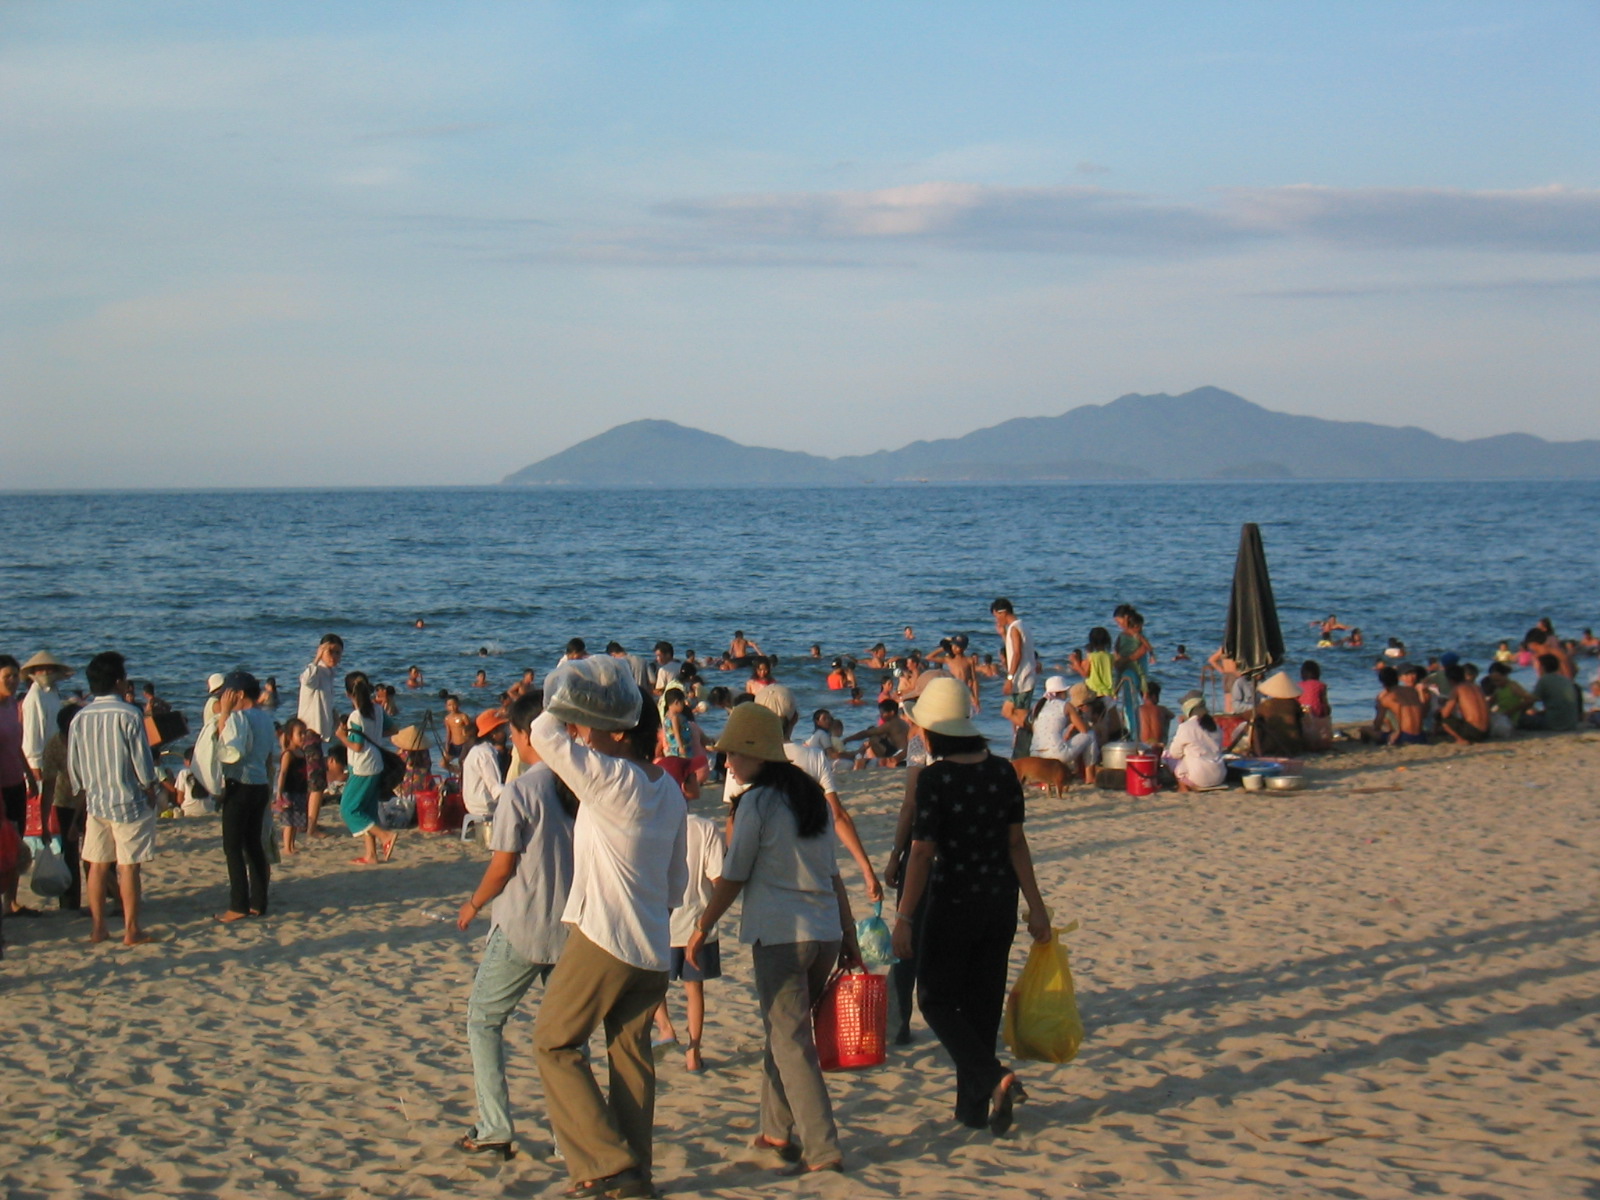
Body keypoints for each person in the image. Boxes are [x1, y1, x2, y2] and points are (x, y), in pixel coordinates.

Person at [529, 657, 686, 1200]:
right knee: (631, 1057)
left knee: (553, 1043)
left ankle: (607, 1164)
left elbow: (542, 734)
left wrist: (570, 685)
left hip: (605, 937)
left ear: (618, 730)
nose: (580, 733)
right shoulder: (668, 789)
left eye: (589, 725)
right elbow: (676, 883)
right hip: (653, 946)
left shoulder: (611, 778)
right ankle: (635, 1174)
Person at [685, 703, 862, 1175]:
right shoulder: (809, 796)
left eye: (732, 755)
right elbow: (833, 872)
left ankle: (823, 1148)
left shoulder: (757, 803)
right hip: (823, 931)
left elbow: (734, 874)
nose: (726, 763)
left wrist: (702, 927)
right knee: (784, 1033)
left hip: (783, 935)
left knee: (790, 1040)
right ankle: (775, 1130)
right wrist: (848, 932)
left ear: (756, 753)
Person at [888, 678, 1051, 1135]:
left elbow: (922, 852)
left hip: (952, 902)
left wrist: (904, 917)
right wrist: (1037, 907)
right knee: (982, 1007)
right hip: (999, 902)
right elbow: (1016, 843)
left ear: (934, 733)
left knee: (935, 999)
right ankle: (974, 1110)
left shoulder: (936, 778)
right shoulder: (1002, 772)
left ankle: (995, 1078)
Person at [456, 690, 578, 1160]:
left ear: (530, 735)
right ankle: (570, 1136)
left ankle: (495, 1127)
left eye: (513, 733)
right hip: (570, 926)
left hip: (525, 924)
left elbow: (502, 867)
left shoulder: (523, 791)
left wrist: (472, 904)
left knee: (483, 1020)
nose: (511, 741)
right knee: (567, 1037)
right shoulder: (580, 785)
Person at [734, 686, 882, 903]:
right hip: (811, 869)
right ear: (795, 718)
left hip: (763, 874)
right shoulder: (814, 757)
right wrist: (867, 870)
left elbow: (734, 821)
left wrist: (736, 872)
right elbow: (837, 815)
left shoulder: (741, 760)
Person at [67, 651, 159, 946]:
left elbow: (74, 765)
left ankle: (98, 928)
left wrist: (84, 789)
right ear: (119, 682)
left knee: (97, 865)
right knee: (128, 866)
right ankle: (131, 930)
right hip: (128, 799)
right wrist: (150, 786)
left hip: (96, 801)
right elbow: (142, 761)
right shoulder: (129, 714)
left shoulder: (80, 717)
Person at [652, 773, 725, 1074]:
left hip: (660, 920)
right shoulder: (705, 828)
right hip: (697, 922)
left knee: (653, 985)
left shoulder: (652, 826)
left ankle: (665, 1028)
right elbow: (718, 879)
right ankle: (693, 1053)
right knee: (694, 990)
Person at [212, 671, 277, 922]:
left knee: (233, 847)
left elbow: (229, 750)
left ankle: (238, 905)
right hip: (260, 784)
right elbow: (269, 755)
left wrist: (225, 714)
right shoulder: (265, 718)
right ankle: (258, 902)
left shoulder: (238, 718)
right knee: (253, 845)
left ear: (238, 694)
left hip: (240, 784)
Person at [336, 672, 398, 865]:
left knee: (348, 809)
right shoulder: (377, 709)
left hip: (362, 767)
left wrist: (341, 736)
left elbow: (357, 746)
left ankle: (385, 835)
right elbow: (394, 729)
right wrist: (375, 735)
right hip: (377, 763)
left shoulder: (355, 716)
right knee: (368, 809)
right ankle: (371, 854)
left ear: (348, 694)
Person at [296, 633, 343, 838]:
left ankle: (305, 823)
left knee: (309, 781)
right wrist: (317, 657)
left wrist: (335, 719)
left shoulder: (329, 674)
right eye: (330, 652)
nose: (334, 656)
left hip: (318, 734)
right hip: (309, 733)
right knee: (317, 784)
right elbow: (306, 680)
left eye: (338, 653)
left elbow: (324, 704)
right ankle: (311, 828)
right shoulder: (316, 672)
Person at [0, 655, 33, 917]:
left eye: (15, 676)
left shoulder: (12, 704)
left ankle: (11, 901)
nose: (12, 681)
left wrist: (29, 774)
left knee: (16, 842)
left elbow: (17, 744)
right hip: (0, 787)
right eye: (6, 676)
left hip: (16, 782)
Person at [990, 599, 1039, 757]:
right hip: (1024, 678)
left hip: (1022, 680)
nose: (996, 620)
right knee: (1010, 713)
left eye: (996, 616)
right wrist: (1003, 634)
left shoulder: (1015, 628)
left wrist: (1010, 678)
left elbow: (1017, 653)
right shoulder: (1020, 626)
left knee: (1018, 716)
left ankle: (1039, 733)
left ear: (1003, 612)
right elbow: (1013, 648)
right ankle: (1021, 749)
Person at [1163, 696, 1228, 790]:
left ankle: (1182, 785)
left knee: (1168, 757)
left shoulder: (1186, 726)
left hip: (1199, 778)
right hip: (1220, 776)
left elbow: (1175, 753)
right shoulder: (1216, 727)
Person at [463, 709, 509, 821]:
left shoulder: (478, 749)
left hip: (473, 803)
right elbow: (495, 789)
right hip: (484, 806)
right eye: (502, 729)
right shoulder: (486, 753)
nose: (506, 732)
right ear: (493, 733)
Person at [274, 718, 311, 854]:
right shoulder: (288, 754)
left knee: (296, 820)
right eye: (300, 733)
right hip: (289, 792)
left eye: (304, 733)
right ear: (290, 736)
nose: (303, 736)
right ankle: (287, 847)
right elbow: (282, 773)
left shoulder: (302, 753)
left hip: (300, 790)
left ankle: (292, 845)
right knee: (289, 821)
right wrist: (279, 793)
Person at [1520, 654, 1582, 732]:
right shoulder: (1564, 679)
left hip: (1555, 724)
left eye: (1535, 665)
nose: (1534, 668)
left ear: (1542, 667)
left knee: (1521, 720)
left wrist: (1516, 711)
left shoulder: (1545, 680)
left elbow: (1531, 702)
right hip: (1571, 723)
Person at [1368, 666, 1425, 745]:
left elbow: (1377, 725)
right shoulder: (1412, 691)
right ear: (1398, 678)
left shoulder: (1387, 698)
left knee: (1365, 730)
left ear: (1382, 682)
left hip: (1406, 737)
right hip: (1421, 736)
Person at [1438, 663, 1490, 744]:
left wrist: (1442, 707)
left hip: (1474, 733)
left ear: (1450, 680)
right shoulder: (1477, 687)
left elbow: (1445, 714)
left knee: (1442, 719)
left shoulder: (1457, 688)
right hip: (1487, 732)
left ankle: (1460, 740)